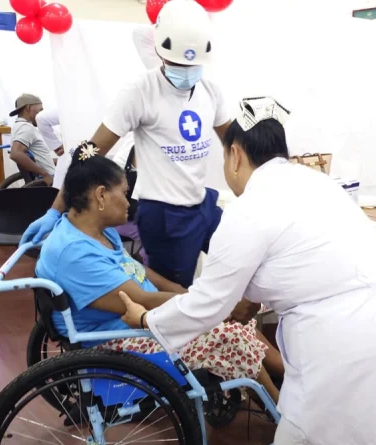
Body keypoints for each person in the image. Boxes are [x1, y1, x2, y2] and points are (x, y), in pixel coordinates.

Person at [114, 97, 376, 445]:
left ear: (235, 154)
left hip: (348, 342)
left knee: (315, 434)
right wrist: (248, 299)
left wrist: (146, 320)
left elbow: (208, 304)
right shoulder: (318, 183)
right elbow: (307, 261)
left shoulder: (246, 210)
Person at [35, 151, 283, 403]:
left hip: (141, 319)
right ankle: (280, 407)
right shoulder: (75, 254)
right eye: (123, 192)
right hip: (120, 341)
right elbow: (140, 300)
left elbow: (139, 271)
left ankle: (289, 381)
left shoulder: (96, 232)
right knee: (229, 332)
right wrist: (210, 303)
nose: (129, 201)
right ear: (100, 195)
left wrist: (185, 292)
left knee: (234, 321)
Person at [22, 0, 232, 288]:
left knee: (240, 259)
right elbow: (89, 155)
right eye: (177, 62)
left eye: (191, 63)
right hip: (165, 213)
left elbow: (237, 144)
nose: (185, 70)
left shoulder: (211, 92)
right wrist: (55, 210)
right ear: (159, 49)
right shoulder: (140, 92)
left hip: (203, 202)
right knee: (172, 295)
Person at [8, 94, 55, 182]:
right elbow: (16, 153)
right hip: (49, 181)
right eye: (40, 110)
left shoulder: (17, 126)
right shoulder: (26, 128)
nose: (42, 114)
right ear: (29, 108)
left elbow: (36, 158)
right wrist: (44, 174)